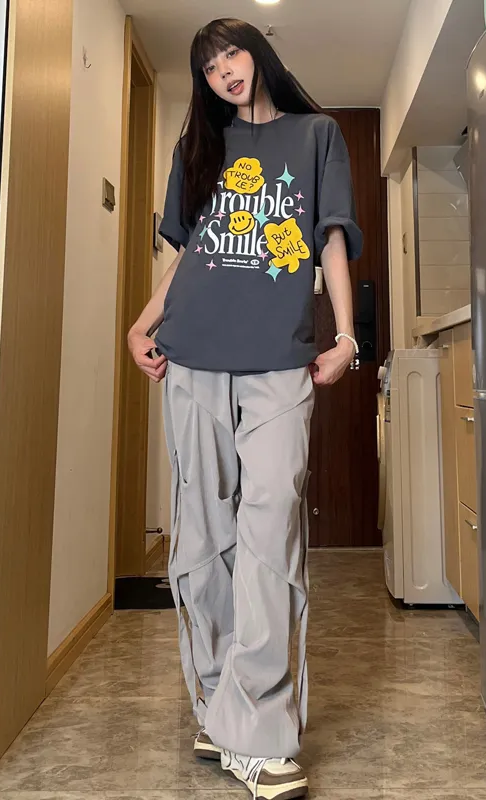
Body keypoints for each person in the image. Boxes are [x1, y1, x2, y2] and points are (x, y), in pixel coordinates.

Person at [127, 17, 362, 800]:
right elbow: (189, 253)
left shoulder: (315, 136)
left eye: (231, 53)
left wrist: (347, 335)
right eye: (208, 65)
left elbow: (329, 239)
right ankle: (218, 710)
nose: (224, 70)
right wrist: (141, 323)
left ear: (257, 54)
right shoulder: (200, 146)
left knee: (269, 531)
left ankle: (255, 730)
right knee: (203, 537)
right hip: (192, 354)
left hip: (278, 363)